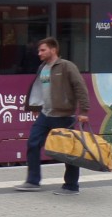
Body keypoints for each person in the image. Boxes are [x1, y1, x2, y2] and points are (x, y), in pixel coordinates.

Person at [15, 37, 90, 194]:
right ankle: (33, 181)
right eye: (39, 50)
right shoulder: (43, 68)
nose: (39, 53)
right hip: (46, 114)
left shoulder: (67, 66)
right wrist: (35, 106)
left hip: (63, 115)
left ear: (53, 50)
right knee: (33, 144)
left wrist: (84, 111)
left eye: (43, 50)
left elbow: (80, 87)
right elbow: (38, 89)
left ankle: (71, 186)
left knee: (67, 151)